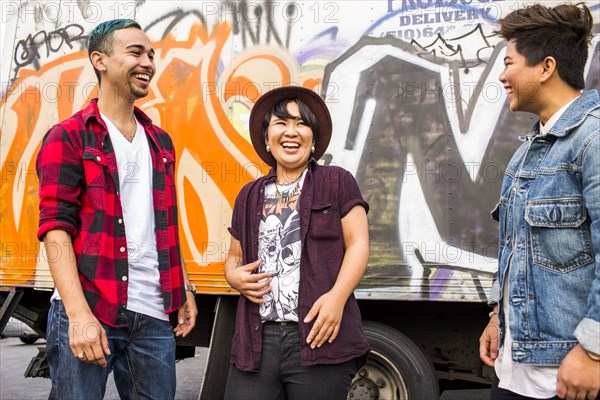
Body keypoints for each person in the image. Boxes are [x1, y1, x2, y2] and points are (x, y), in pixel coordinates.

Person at [36, 19, 198, 399]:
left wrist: (185, 286)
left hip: (154, 313)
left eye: (151, 55)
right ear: (101, 60)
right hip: (93, 304)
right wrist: (78, 316)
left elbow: (164, 223)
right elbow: (55, 228)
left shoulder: (161, 142)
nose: (148, 63)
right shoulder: (69, 135)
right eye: (136, 52)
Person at [478, 3, 599, 400]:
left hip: (568, 373)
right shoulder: (530, 148)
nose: (502, 75)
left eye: (510, 62)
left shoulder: (593, 141)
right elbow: (520, 248)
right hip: (519, 367)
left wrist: (593, 352)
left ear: (546, 67)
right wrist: (500, 315)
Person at [223, 86, 370, 399]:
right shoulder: (248, 195)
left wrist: (337, 298)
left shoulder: (337, 181)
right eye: (281, 123)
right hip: (257, 340)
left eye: (302, 124)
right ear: (266, 139)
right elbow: (234, 256)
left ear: (313, 140)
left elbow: (358, 243)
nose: (292, 132)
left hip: (318, 337)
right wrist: (233, 277)